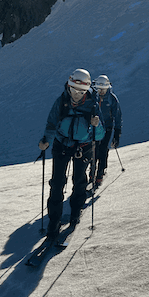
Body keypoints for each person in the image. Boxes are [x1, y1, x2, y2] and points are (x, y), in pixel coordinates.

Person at [39, 69, 105, 238]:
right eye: (74, 90)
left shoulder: (93, 105)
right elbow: (52, 123)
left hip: (83, 147)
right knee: (57, 184)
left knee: (79, 182)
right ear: (68, 87)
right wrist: (46, 139)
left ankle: (75, 214)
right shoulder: (61, 101)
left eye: (81, 92)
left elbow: (100, 136)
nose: (76, 95)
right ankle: (54, 221)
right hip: (61, 144)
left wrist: (96, 125)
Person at [92, 75, 123, 186]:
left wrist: (117, 132)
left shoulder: (112, 99)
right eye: (99, 89)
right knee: (93, 150)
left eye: (103, 89)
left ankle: (100, 172)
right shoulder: (93, 98)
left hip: (107, 128)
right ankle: (92, 173)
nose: (101, 92)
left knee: (103, 149)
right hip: (94, 128)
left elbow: (117, 116)